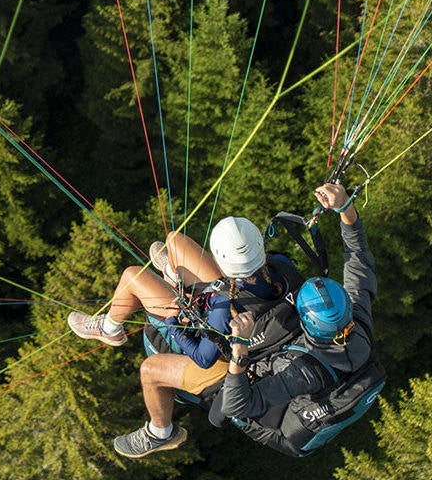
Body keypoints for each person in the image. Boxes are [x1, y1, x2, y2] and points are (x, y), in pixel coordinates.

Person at [67, 216, 301, 458]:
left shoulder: (224, 306)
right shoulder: (281, 267)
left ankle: (160, 431)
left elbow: (203, 358)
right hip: (248, 323)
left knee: (134, 282)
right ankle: (173, 275)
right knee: (175, 242)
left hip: (229, 366)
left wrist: (174, 324)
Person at [208, 182, 379, 456]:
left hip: (282, 434)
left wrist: (240, 349)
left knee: (216, 412)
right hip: (343, 370)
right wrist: (345, 208)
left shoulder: (302, 373)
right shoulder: (357, 317)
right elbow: (358, 257)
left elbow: (234, 407)